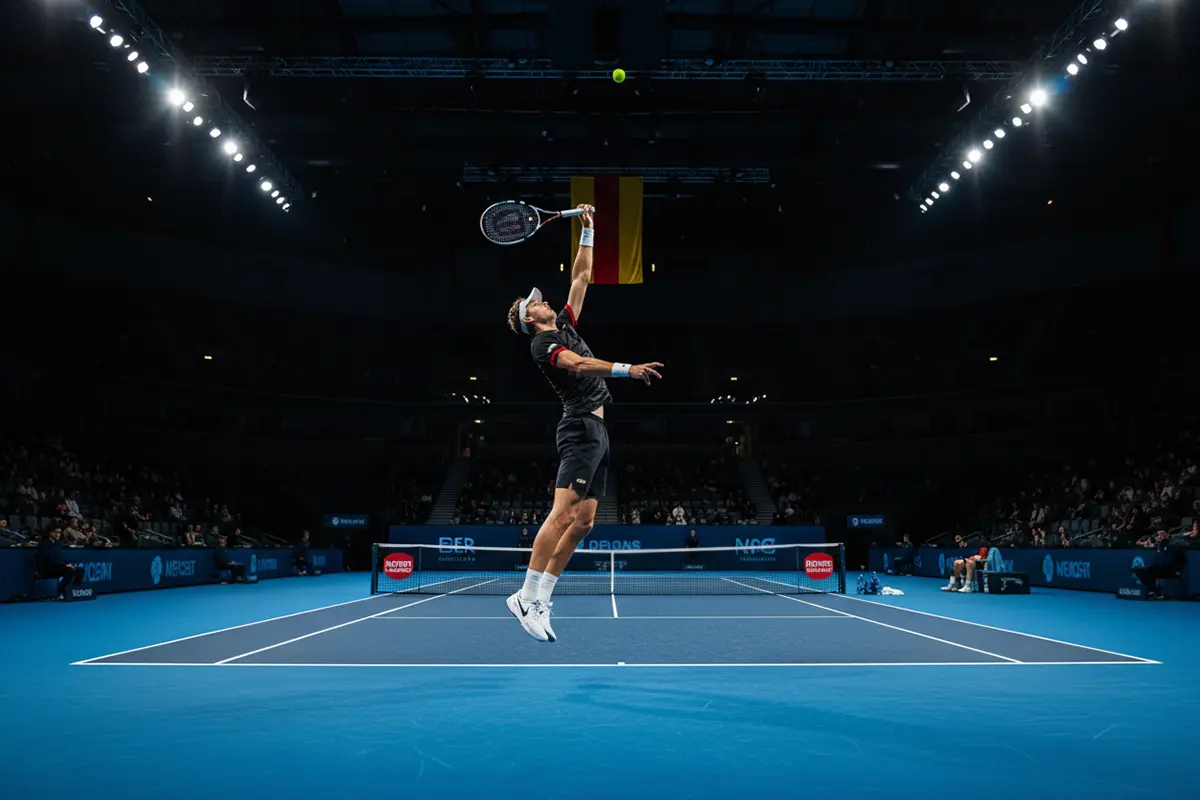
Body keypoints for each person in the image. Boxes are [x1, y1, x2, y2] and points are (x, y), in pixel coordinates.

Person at [503, 205, 663, 642]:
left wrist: (587, 231)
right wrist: (626, 369)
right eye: (536, 301)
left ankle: (542, 598)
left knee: (585, 522)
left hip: (598, 432)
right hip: (578, 428)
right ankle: (524, 595)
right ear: (530, 318)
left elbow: (581, 277)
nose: (544, 300)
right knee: (562, 515)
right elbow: (576, 364)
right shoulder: (542, 344)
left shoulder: (564, 323)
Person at [35, 527, 83, 599]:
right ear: (50, 533)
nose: (58, 534)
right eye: (56, 532)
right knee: (69, 570)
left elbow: (59, 558)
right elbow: (50, 561)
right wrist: (65, 565)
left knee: (80, 570)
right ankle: (60, 592)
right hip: (47, 568)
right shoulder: (44, 544)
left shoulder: (56, 543)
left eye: (59, 532)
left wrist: (68, 564)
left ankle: (73, 590)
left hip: (56, 566)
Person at [1132, 530, 1181, 599]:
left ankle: (1156, 592)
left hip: (1168, 569)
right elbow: (1147, 544)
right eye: (1158, 535)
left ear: (1166, 536)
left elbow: (1168, 560)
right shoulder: (1158, 545)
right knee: (1140, 571)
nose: (1158, 537)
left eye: (1161, 535)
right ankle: (1152, 591)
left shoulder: (1171, 545)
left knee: (1149, 569)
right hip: (1158, 568)